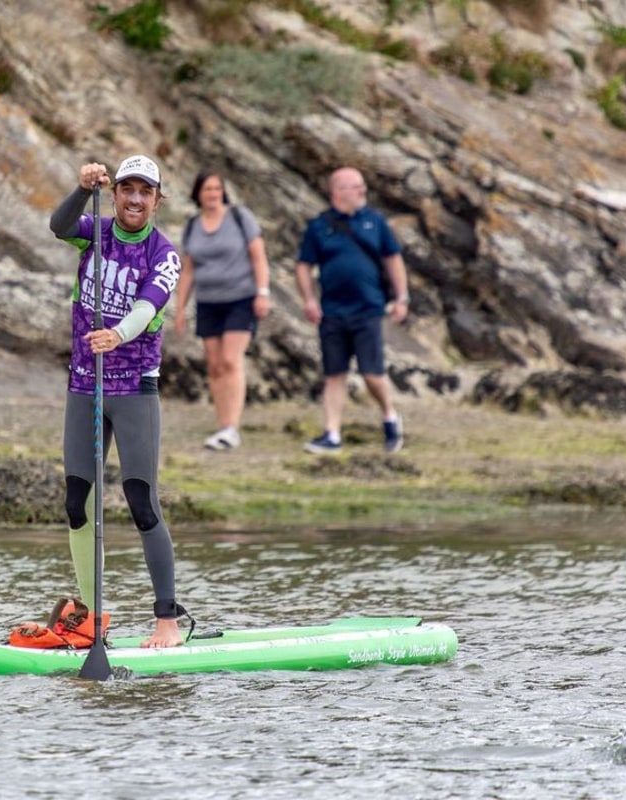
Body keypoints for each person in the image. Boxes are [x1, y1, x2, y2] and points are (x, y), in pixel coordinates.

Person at [48, 154, 185, 649]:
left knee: (141, 502)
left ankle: (167, 620)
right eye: (126, 188)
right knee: (76, 503)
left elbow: (148, 305)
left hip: (133, 388)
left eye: (144, 192)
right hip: (84, 385)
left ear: (156, 200)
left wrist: (117, 335)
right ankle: (91, 620)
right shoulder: (95, 231)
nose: (132, 199)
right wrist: (83, 188)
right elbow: (57, 225)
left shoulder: (163, 254)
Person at [294, 166, 409, 455]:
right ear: (338, 191)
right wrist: (309, 299)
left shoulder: (375, 221)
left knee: (372, 374)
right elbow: (304, 265)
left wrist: (402, 297)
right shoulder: (319, 226)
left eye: (362, 186)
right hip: (332, 311)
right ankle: (332, 433)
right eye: (356, 187)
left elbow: (393, 259)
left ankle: (390, 417)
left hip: (368, 309)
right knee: (334, 373)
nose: (362, 192)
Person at [173, 170, 272, 451]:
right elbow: (188, 270)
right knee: (215, 366)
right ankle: (223, 424)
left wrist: (262, 293)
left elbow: (259, 257)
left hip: (241, 298)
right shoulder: (193, 225)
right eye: (207, 189)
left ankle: (232, 428)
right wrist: (180, 309)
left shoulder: (241, 217)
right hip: (208, 302)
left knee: (230, 360)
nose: (213, 194)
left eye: (217, 188)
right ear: (198, 194)